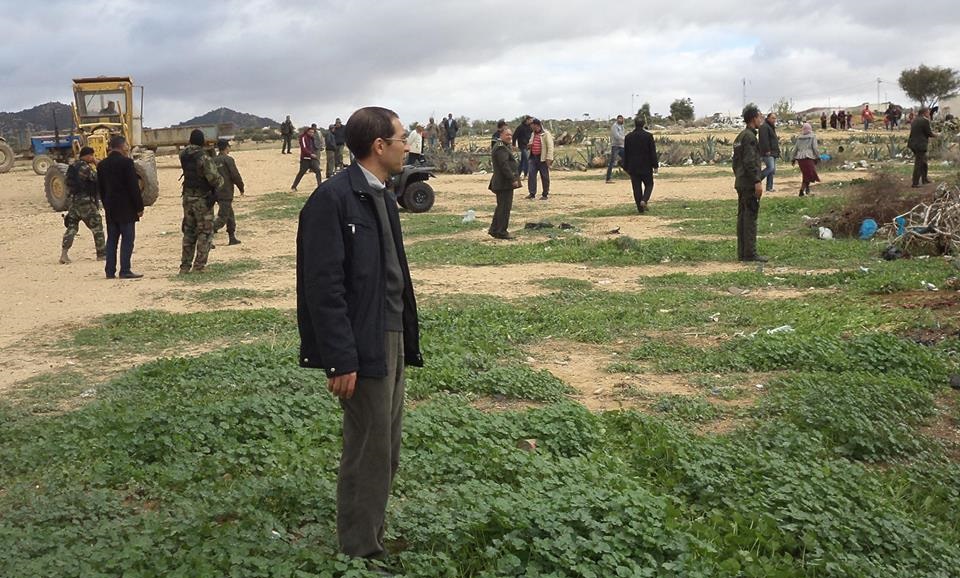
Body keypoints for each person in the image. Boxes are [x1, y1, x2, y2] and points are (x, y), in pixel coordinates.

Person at [296, 106, 423, 562]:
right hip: (361, 342)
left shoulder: (384, 196)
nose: (408, 145)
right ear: (379, 146)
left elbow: (392, 276)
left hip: (389, 336)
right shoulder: (332, 200)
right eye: (402, 137)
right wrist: (341, 358)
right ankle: (360, 551)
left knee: (386, 447)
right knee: (367, 449)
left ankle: (373, 534)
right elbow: (323, 287)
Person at [97, 135, 144, 278]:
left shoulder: (102, 165)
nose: (128, 147)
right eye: (127, 145)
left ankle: (109, 271)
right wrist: (139, 207)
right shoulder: (127, 163)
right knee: (127, 240)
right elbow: (133, 187)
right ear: (122, 146)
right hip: (126, 208)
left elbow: (101, 189)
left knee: (111, 240)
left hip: (111, 208)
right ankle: (125, 270)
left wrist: (106, 206)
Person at [179, 129, 224, 274]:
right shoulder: (203, 157)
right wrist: (220, 181)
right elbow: (213, 178)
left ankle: (185, 266)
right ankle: (198, 266)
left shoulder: (183, 154)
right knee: (205, 232)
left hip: (187, 198)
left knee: (189, 232)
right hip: (202, 199)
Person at [732, 104, 767, 263]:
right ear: (753, 118)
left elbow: (735, 163)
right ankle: (750, 254)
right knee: (750, 217)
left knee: (742, 218)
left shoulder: (739, 137)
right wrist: (757, 181)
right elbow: (749, 161)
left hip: (740, 181)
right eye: (760, 116)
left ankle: (742, 253)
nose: (762, 119)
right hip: (748, 183)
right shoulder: (750, 137)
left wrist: (740, 176)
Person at [59, 146, 106, 264]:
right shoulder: (85, 167)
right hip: (86, 203)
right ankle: (101, 254)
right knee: (97, 227)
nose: (92, 157)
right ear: (87, 156)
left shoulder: (73, 167)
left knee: (72, 228)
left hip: (74, 202)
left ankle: (64, 254)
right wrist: (97, 164)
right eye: (91, 155)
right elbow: (97, 178)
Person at [488, 127, 519, 239]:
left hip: (502, 183)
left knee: (501, 207)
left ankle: (494, 229)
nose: (510, 137)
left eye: (511, 135)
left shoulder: (503, 146)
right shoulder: (501, 148)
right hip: (503, 183)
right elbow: (504, 166)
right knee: (504, 208)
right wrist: (512, 179)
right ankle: (501, 231)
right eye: (507, 135)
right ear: (501, 135)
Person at [622, 116, 659, 213]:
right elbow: (652, 152)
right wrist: (655, 165)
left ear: (634, 124)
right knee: (649, 184)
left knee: (636, 188)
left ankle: (640, 209)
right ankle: (644, 200)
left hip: (633, 167)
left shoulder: (628, 137)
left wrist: (625, 166)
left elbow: (626, 153)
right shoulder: (648, 136)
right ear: (643, 124)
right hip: (646, 166)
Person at [213, 139, 245, 245]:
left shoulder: (213, 160)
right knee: (222, 217)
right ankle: (207, 234)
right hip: (225, 191)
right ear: (226, 147)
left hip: (215, 192)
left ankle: (232, 237)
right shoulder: (228, 160)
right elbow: (235, 175)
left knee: (229, 214)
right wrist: (241, 187)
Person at [908, 107, 938, 188]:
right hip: (920, 145)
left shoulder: (915, 120)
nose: (929, 114)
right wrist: (937, 135)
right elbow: (929, 133)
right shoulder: (924, 121)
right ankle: (915, 183)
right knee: (919, 163)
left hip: (912, 144)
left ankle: (924, 179)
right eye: (928, 112)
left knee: (924, 162)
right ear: (924, 113)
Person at [526, 118, 553, 200]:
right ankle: (532, 193)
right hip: (533, 158)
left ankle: (545, 194)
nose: (531, 127)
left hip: (542, 158)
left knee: (544, 176)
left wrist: (549, 158)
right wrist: (529, 146)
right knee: (531, 175)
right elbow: (531, 143)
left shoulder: (546, 134)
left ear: (536, 125)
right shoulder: (533, 134)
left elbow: (550, 147)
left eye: (532, 125)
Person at [791, 123, 820, 197]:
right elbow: (815, 148)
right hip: (808, 158)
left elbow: (795, 149)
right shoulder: (813, 136)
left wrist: (793, 158)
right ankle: (801, 191)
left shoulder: (799, 137)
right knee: (809, 175)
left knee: (806, 175)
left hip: (800, 159)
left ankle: (807, 189)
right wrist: (818, 156)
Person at [291, 126, 322, 191]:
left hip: (312, 159)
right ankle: (294, 186)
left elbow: (313, 147)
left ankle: (320, 186)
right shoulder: (303, 138)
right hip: (305, 159)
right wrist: (310, 154)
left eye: (313, 132)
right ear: (307, 132)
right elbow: (304, 148)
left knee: (318, 170)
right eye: (310, 132)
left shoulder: (312, 139)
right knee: (301, 173)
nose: (311, 133)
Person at [758, 112, 780, 192]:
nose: (774, 120)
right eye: (773, 118)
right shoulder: (764, 127)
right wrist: (767, 150)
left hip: (773, 152)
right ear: (768, 118)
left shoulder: (770, 127)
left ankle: (769, 187)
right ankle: (756, 179)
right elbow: (764, 140)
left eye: (775, 118)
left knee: (772, 171)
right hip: (768, 152)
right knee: (770, 168)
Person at [605, 114, 626, 183]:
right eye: (620, 119)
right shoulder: (614, 126)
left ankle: (629, 173)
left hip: (621, 145)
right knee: (612, 162)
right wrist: (624, 139)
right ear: (617, 119)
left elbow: (623, 134)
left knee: (626, 158)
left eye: (622, 119)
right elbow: (617, 136)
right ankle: (608, 178)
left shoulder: (622, 126)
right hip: (615, 146)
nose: (621, 120)